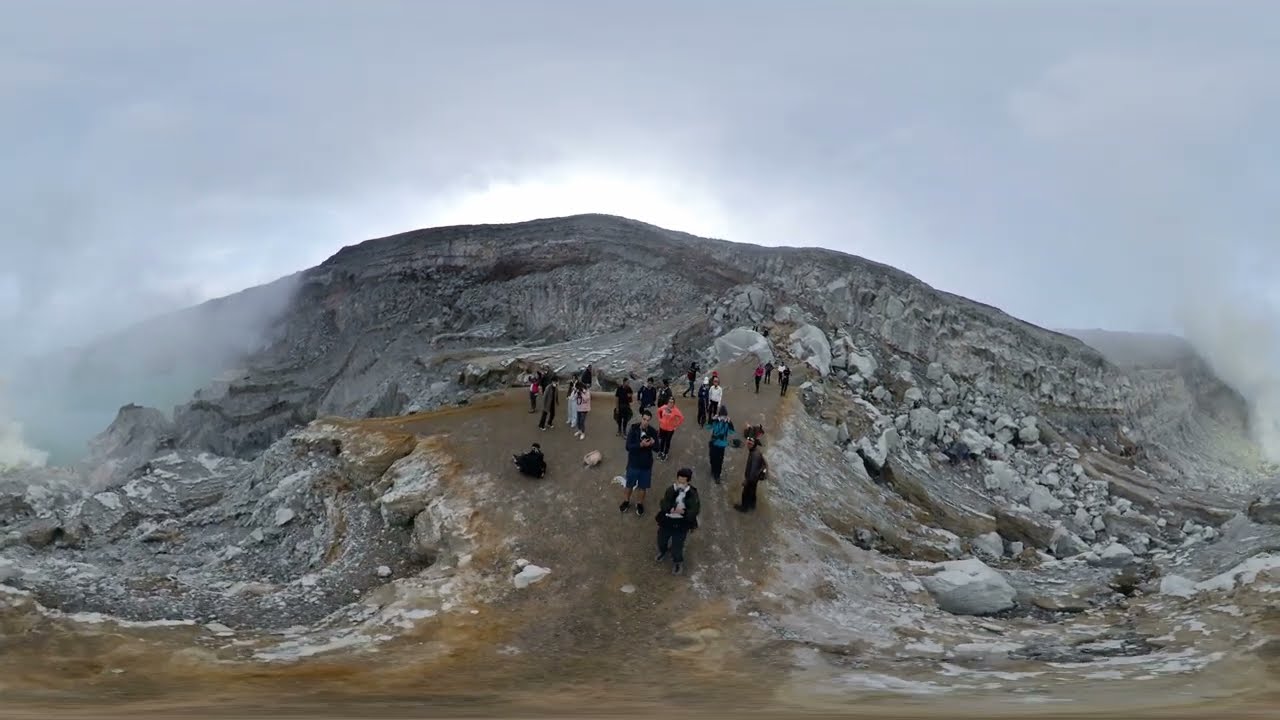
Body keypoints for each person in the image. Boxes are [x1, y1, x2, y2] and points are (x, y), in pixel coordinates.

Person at [655, 467, 700, 575]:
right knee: (661, 539)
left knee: (677, 545)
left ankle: (677, 562)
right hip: (667, 521)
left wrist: (683, 512)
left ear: (688, 482)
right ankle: (663, 551)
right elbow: (663, 502)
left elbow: (695, 510)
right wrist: (670, 508)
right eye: (679, 481)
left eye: (683, 482)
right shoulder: (671, 489)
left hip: (681, 524)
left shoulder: (692, 494)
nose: (680, 484)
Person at [621, 410, 659, 516]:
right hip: (633, 463)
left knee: (643, 487)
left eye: (648, 420)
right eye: (644, 419)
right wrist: (640, 445)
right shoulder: (633, 429)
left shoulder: (652, 431)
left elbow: (657, 449)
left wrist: (652, 443)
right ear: (641, 418)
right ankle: (626, 501)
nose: (645, 422)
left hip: (646, 465)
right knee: (629, 485)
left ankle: (639, 503)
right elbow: (628, 447)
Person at [736, 436, 768, 512]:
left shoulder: (755, 455)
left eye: (750, 443)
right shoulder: (755, 451)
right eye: (748, 442)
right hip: (755, 478)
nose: (748, 444)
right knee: (752, 493)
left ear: (754, 444)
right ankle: (752, 506)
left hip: (752, 479)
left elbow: (753, 471)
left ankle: (744, 508)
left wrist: (746, 480)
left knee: (745, 494)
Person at [707, 407, 735, 484]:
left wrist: (730, 423)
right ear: (719, 416)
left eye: (724, 416)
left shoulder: (727, 424)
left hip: (721, 445)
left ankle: (717, 475)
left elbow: (732, 432)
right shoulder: (715, 421)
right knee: (712, 458)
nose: (723, 418)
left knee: (719, 460)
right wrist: (712, 419)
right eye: (722, 416)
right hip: (713, 443)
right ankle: (713, 469)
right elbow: (707, 427)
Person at [656, 396, 685, 461]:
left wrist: (675, 425)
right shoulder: (664, 407)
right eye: (669, 402)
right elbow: (658, 411)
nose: (670, 404)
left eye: (672, 402)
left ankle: (665, 453)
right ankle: (660, 451)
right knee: (662, 440)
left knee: (667, 441)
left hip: (670, 429)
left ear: (674, 403)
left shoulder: (675, 410)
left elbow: (682, 418)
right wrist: (660, 419)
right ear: (667, 402)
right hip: (662, 427)